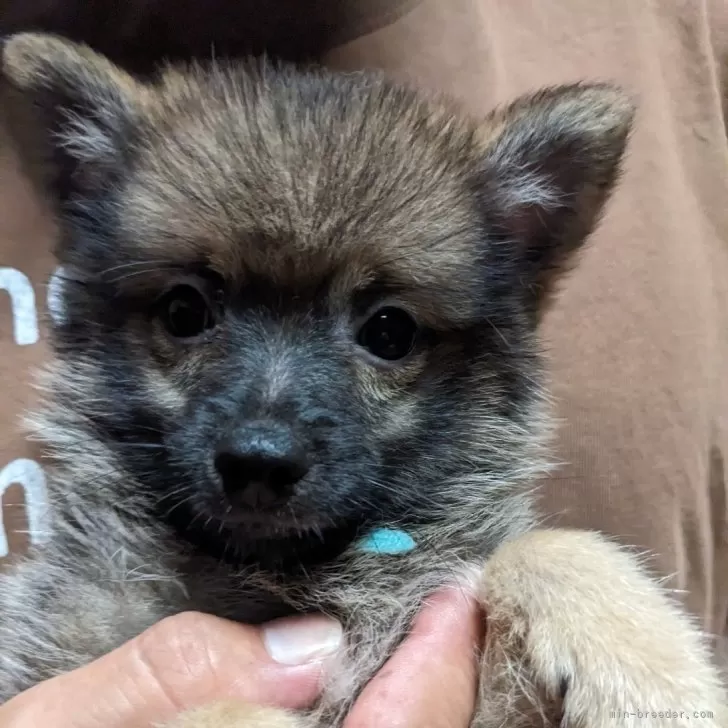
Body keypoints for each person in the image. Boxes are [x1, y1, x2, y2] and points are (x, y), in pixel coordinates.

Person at [0, 0, 726, 724]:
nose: (264, 438)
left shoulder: (690, 35)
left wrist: (565, 584)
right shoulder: (93, 598)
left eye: (387, 335)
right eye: (188, 317)